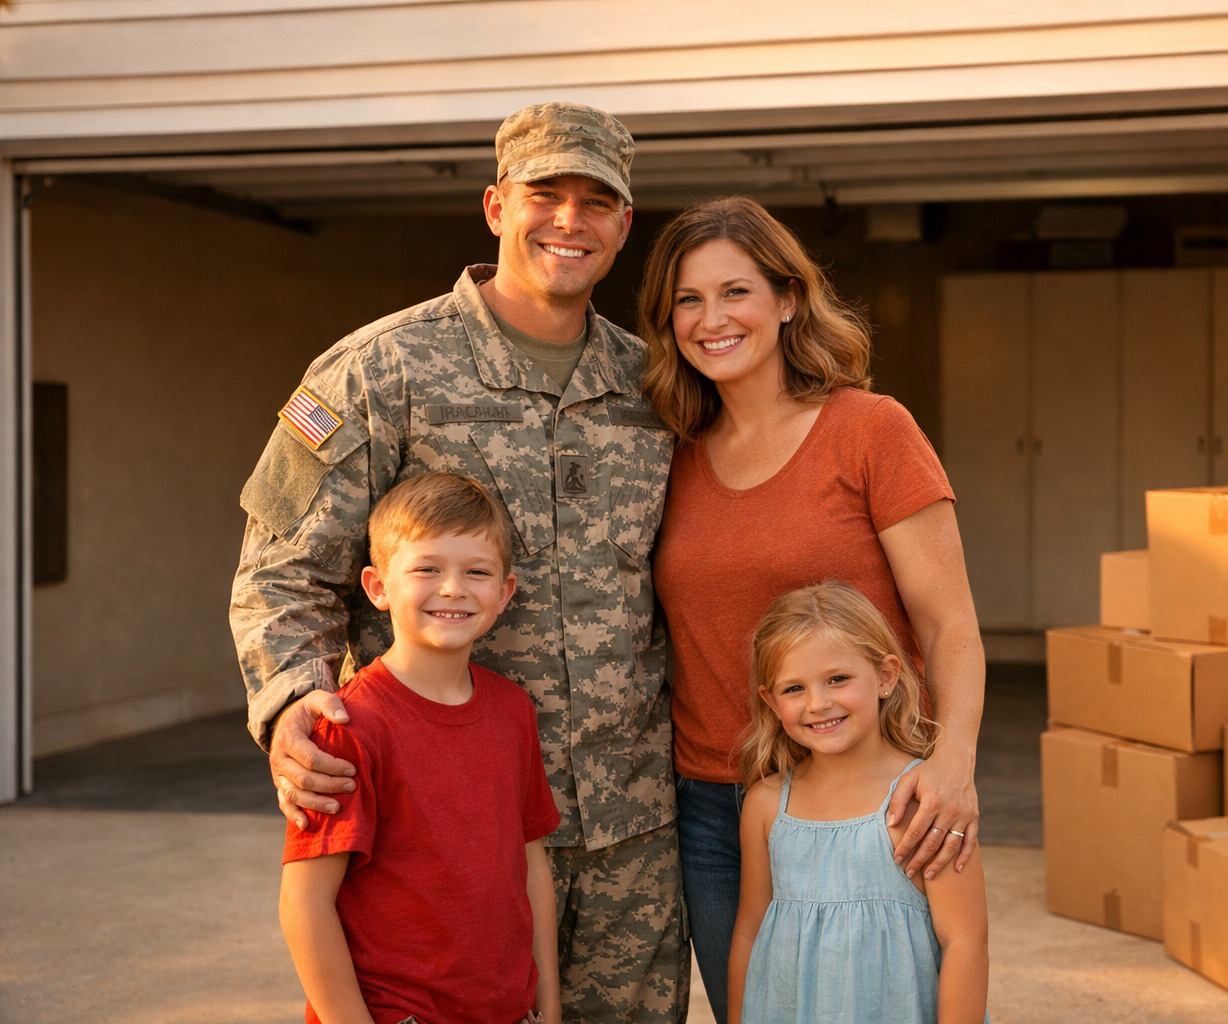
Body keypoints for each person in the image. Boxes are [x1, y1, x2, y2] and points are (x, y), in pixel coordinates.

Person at [231, 102, 686, 1023]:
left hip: (633, 839)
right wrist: (290, 703)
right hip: (435, 843)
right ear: (493, 205)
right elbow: (281, 572)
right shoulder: (376, 371)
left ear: (624, 224)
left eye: (597, 200)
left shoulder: (656, 389)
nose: (570, 219)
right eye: (544, 194)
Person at [642, 197, 986, 1021]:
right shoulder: (668, 451)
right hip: (718, 802)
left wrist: (954, 763)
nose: (711, 319)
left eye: (736, 292)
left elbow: (950, 625)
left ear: (788, 298)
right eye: (687, 300)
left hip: (874, 796)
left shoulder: (869, 431)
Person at [280, 472, 561, 1024]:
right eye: (427, 569)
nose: (452, 588)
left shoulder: (512, 710)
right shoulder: (349, 725)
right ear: (378, 586)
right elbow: (304, 905)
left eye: (476, 572)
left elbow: (531, 867)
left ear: (504, 592)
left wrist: (547, 1007)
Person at [727, 581, 988, 1024]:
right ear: (770, 701)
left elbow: (965, 941)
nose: (818, 703)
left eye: (838, 679)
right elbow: (750, 930)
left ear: (886, 677)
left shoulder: (922, 802)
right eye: (794, 689)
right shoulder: (766, 804)